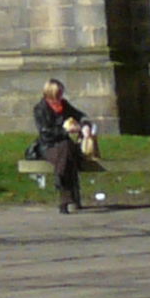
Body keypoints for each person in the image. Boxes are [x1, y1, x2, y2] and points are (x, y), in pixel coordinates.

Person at [34, 78, 95, 214]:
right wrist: (65, 131)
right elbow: (45, 133)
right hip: (48, 146)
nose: (60, 97)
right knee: (66, 151)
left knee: (67, 150)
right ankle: (70, 198)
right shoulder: (40, 109)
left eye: (61, 93)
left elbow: (80, 115)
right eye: (57, 94)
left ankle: (63, 194)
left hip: (64, 147)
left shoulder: (64, 105)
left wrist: (85, 125)